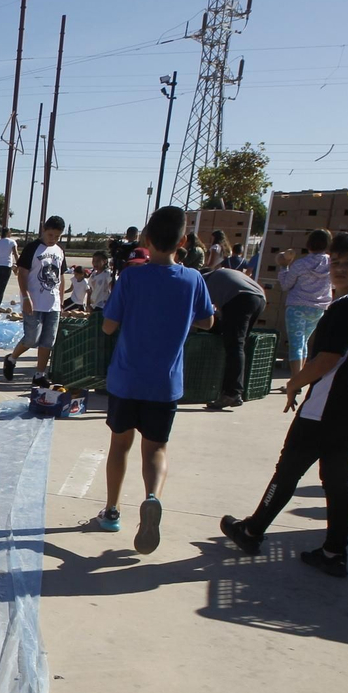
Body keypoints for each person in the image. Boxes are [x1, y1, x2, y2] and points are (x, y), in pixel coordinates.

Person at [220, 233, 348, 577]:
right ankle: (334, 552)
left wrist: (294, 383)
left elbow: (326, 359)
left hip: (328, 407)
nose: (340, 269)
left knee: (289, 470)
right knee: (338, 480)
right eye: (336, 263)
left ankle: (251, 531)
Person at [94, 204, 215, 551]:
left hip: (126, 379)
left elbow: (108, 325)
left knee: (120, 445)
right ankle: (152, 498)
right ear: (185, 241)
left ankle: (112, 510)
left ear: (147, 240)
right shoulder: (193, 279)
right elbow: (208, 321)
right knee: (156, 449)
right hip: (165, 384)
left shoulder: (132, 277)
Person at [3, 215, 66, 385]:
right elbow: (22, 273)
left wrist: (61, 300)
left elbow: (60, 276)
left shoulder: (59, 251)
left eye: (57, 236)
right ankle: (11, 358)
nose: (53, 239)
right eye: (50, 235)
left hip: (53, 304)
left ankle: (39, 375)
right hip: (34, 301)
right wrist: (25, 297)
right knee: (31, 339)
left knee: (48, 340)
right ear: (44, 230)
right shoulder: (33, 248)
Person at [202, 264, 267, 410]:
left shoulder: (202, 281)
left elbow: (202, 314)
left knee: (234, 346)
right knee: (238, 344)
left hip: (241, 298)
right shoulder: (221, 276)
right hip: (259, 298)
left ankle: (232, 393)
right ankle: (236, 390)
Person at [277, 228, 333, 376]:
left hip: (297, 306)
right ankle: (301, 377)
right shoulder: (331, 264)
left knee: (295, 344)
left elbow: (285, 285)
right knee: (304, 342)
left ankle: (296, 380)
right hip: (318, 308)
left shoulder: (300, 264)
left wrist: (283, 267)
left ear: (309, 244)